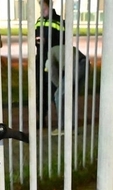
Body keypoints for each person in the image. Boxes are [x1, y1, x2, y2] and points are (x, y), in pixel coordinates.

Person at [34, 0, 64, 129]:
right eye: (41, 7)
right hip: (40, 60)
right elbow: (35, 36)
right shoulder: (39, 21)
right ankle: (41, 118)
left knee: (56, 90)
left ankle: (61, 119)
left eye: (44, 7)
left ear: (50, 6)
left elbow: (63, 41)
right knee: (40, 91)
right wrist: (38, 41)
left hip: (54, 61)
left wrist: (49, 41)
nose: (42, 10)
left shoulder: (59, 21)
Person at [46, 43, 87, 132]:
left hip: (74, 66)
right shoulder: (61, 49)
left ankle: (61, 127)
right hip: (85, 65)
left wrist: (59, 87)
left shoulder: (51, 54)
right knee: (71, 97)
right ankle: (71, 126)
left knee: (58, 96)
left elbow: (52, 73)